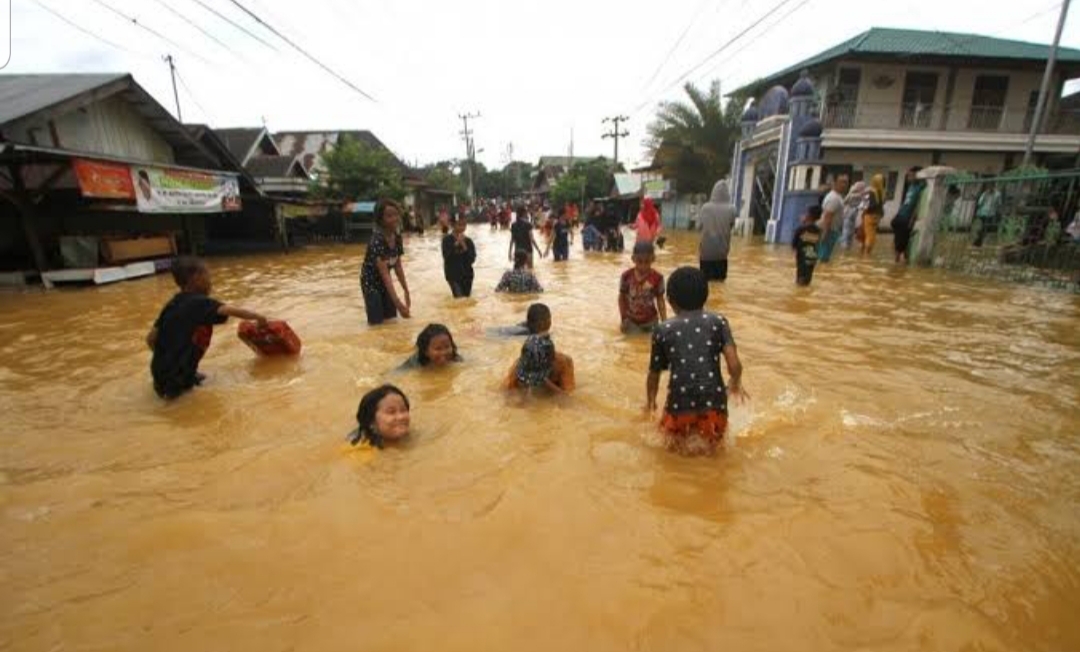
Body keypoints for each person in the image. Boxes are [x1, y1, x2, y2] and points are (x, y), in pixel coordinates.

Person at [646, 266, 746, 455]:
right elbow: (734, 365)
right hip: (715, 409)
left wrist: (650, 403)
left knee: (671, 456)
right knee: (714, 453)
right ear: (705, 297)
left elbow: (654, 373)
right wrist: (735, 383)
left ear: (670, 301)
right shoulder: (718, 322)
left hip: (678, 409)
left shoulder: (663, 330)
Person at [147, 256, 269, 399]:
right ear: (196, 278)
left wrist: (168, 358)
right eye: (208, 275)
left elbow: (150, 339)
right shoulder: (199, 302)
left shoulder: (172, 304)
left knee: (203, 382)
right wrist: (260, 318)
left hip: (160, 375)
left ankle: (187, 375)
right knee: (181, 408)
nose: (211, 282)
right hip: (176, 380)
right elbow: (231, 310)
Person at [503, 303, 575, 393]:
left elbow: (505, 397)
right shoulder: (564, 363)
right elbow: (569, 397)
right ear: (549, 322)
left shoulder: (517, 369)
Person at [360, 199, 411, 325]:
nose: (394, 218)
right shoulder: (377, 241)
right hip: (371, 283)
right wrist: (398, 304)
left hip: (385, 283)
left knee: (391, 320)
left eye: (395, 214)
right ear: (381, 219)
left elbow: (398, 266)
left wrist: (406, 290)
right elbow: (385, 274)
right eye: (389, 216)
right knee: (377, 323)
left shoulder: (397, 237)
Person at [619, 241, 667, 333]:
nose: (643, 266)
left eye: (647, 262)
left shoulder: (658, 278)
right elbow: (622, 298)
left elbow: (660, 300)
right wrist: (623, 318)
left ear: (653, 259)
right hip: (631, 321)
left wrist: (665, 323)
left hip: (651, 321)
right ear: (633, 259)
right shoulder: (626, 276)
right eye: (639, 261)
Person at [346, 385, 411, 449]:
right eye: (391, 412)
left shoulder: (411, 436)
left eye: (403, 410)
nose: (401, 417)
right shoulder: (360, 449)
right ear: (371, 421)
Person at [698, 180, 736, 281]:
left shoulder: (705, 208)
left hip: (705, 254)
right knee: (720, 283)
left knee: (705, 282)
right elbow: (731, 226)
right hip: (721, 254)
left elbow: (699, 227)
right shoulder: (732, 209)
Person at [891, 167, 924, 264]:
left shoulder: (920, 187)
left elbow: (917, 205)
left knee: (901, 244)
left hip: (906, 219)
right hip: (900, 217)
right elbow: (906, 203)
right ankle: (899, 263)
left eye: (911, 175)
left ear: (917, 175)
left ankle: (897, 264)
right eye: (908, 175)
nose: (908, 178)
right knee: (899, 243)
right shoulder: (911, 187)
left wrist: (912, 220)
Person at [441, 218, 477, 298]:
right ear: (453, 225)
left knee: (466, 300)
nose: (462, 228)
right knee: (459, 299)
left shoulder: (469, 241)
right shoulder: (446, 240)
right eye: (459, 225)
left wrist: (465, 247)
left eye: (464, 225)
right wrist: (456, 244)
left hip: (467, 275)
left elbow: (472, 259)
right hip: (453, 275)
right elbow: (446, 257)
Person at [818, 174, 849, 263]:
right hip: (829, 231)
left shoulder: (838, 196)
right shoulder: (834, 198)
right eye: (842, 182)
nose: (844, 185)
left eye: (846, 182)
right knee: (823, 259)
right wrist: (824, 234)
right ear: (835, 183)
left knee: (825, 258)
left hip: (832, 231)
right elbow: (828, 217)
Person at [793, 205, 823, 286]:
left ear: (808, 216)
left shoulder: (800, 229)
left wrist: (802, 224)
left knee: (800, 278)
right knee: (808, 277)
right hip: (812, 256)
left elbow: (794, 244)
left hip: (802, 257)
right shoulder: (818, 230)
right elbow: (817, 243)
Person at [861, 174, 886, 256]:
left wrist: (863, 213)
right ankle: (869, 252)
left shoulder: (870, 192)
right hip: (878, 216)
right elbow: (881, 205)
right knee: (872, 234)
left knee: (868, 234)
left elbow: (866, 206)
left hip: (869, 215)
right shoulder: (882, 192)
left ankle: (866, 254)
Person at [840, 180, 868, 249]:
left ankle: (847, 245)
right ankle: (845, 245)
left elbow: (844, 201)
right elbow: (845, 201)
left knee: (849, 229)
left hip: (853, 211)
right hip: (851, 211)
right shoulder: (860, 194)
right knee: (848, 229)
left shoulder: (855, 193)